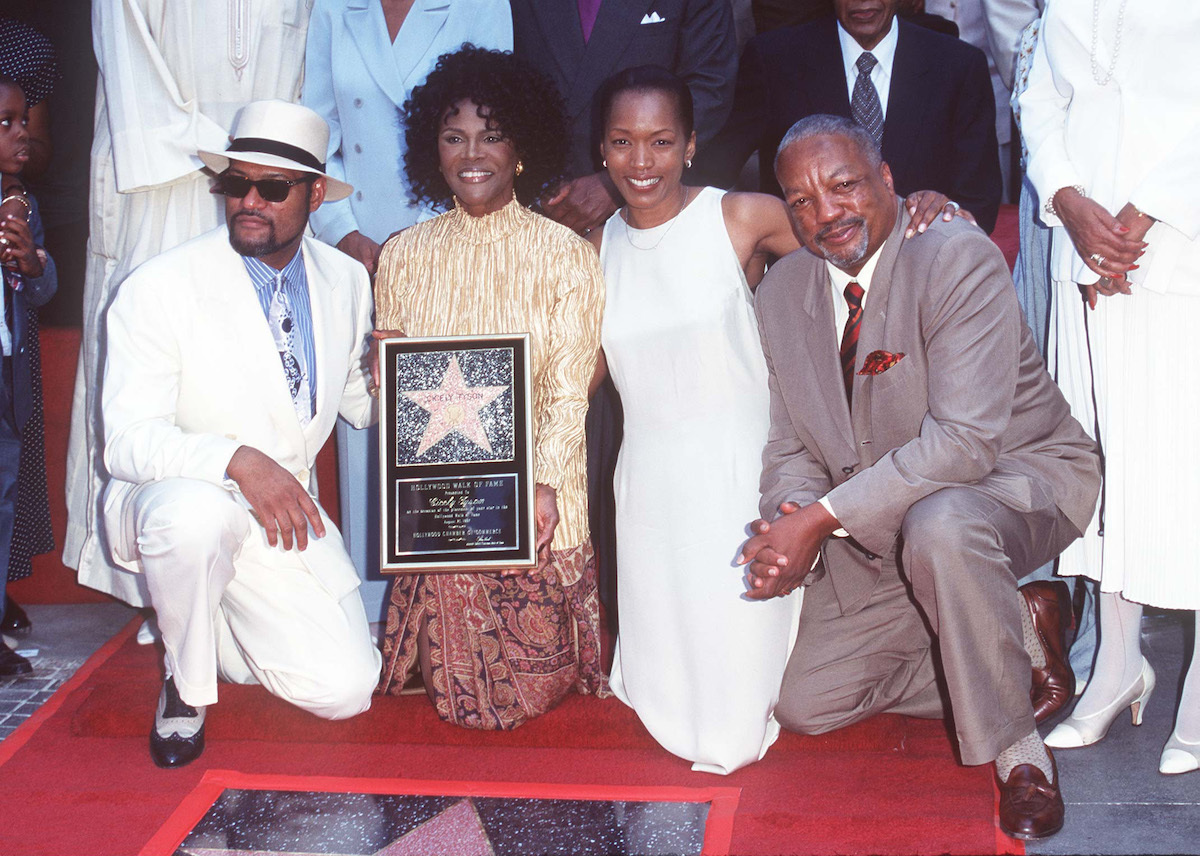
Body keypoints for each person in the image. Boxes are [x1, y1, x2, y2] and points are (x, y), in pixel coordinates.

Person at [741, 114, 1101, 840]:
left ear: (887, 181)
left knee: (943, 524)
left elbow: (965, 445)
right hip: (890, 522)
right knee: (807, 702)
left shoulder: (952, 255)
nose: (826, 213)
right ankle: (1013, 630)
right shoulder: (782, 293)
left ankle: (1019, 755)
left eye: (843, 186)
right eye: (802, 200)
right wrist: (793, 509)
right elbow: (788, 438)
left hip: (1014, 480)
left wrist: (820, 522)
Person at [100, 101, 381, 767]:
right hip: (180, 500)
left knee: (347, 691)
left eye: (272, 188)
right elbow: (126, 443)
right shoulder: (159, 287)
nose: (248, 202)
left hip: (281, 519)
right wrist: (235, 460)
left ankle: (206, 609)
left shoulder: (346, 280)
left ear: (315, 193)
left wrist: (389, 374)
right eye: (235, 184)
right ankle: (185, 682)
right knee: (196, 521)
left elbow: (356, 407)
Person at [374, 46, 606, 730]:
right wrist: (385, 375)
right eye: (454, 137)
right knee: (443, 703)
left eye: (492, 134)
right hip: (441, 508)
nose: (472, 153)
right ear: (433, 150)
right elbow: (407, 414)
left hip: (539, 493)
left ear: (522, 148)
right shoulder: (401, 255)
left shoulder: (566, 254)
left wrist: (541, 488)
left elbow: (569, 394)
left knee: (525, 703)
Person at [587, 66, 802, 774]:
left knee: (731, 736)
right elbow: (581, 377)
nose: (640, 162)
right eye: (622, 142)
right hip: (647, 485)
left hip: (738, 476)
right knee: (665, 685)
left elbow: (851, 255)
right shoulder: (598, 248)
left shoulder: (738, 216)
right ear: (602, 149)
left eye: (659, 141)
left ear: (690, 145)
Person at [68, 0, 314, 609]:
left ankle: (242, 566)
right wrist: (228, 151)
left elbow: (298, 68)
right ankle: (160, 586)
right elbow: (131, 69)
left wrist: (263, 162)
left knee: (246, 355)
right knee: (156, 367)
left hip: (262, 186)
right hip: (164, 186)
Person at [511, 0, 738, 637]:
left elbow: (711, 89)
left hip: (650, 209)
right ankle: (572, 607)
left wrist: (612, 183)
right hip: (544, 214)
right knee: (579, 388)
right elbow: (507, 89)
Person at [1020, 0, 1200, 777]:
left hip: (1179, 247)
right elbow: (1040, 95)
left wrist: (1142, 214)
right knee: (1108, 473)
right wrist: (1067, 198)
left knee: (1185, 470)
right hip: (1084, 258)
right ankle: (1118, 664)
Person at [301, 0, 513, 622]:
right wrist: (341, 230)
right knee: (369, 412)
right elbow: (320, 134)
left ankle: (460, 608)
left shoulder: (481, 5)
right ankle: (377, 612)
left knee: (454, 419)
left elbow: (490, 132)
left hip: (452, 236)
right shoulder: (337, 8)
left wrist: (418, 245)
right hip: (357, 252)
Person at [697, 0, 1003, 233]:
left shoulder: (958, 65)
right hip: (811, 268)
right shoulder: (775, 61)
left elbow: (979, 199)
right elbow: (716, 168)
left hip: (922, 268)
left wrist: (946, 210)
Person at [0, 21, 58, 642]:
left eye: (21, 121)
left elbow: (43, 288)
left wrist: (30, 260)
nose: (23, 135)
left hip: (7, 378)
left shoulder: (21, 207)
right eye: (7, 125)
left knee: (4, 499)